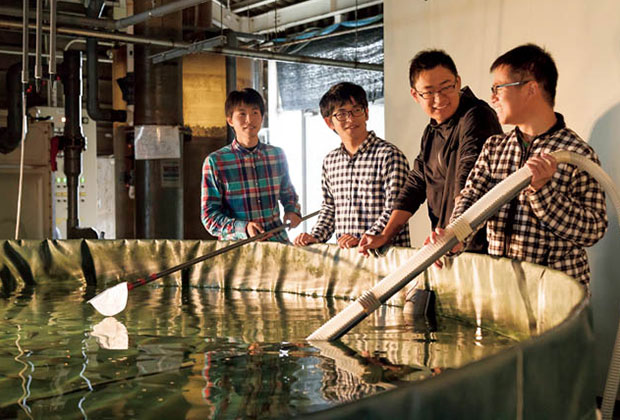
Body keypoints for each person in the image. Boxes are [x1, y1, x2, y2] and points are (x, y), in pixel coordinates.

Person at [430, 44, 607, 284]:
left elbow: (593, 230)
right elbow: (471, 197)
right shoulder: (495, 147)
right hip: (503, 290)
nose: (492, 98)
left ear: (530, 89)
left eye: (498, 88)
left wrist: (544, 194)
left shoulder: (577, 154)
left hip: (557, 293)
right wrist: (454, 236)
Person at [359, 49, 502, 257]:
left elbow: (469, 180)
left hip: (475, 249)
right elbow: (416, 183)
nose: (439, 98)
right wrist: (385, 235)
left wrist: (454, 235)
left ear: (458, 82)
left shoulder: (476, 116)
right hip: (447, 244)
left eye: (446, 87)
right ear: (415, 95)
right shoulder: (431, 131)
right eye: (429, 92)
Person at [293, 82, 410, 249]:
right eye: (341, 114)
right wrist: (315, 236)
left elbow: (395, 210)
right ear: (329, 122)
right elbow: (329, 208)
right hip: (348, 259)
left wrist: (364, 239)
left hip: (385, 257)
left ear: (366, 113)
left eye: (356, 110)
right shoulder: (330, 161)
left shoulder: (389, 156)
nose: (351, 119)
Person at [201, 88, 301, 243]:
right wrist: (244, 228)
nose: (249, 119)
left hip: (277, 243)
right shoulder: (216, 161)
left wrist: (292, 211)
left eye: (255, 112)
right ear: (230, 120)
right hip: (238, 248)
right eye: (242, 114)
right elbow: (209, 216)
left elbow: (288, 193)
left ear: (262, 117)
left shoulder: (276, 155)